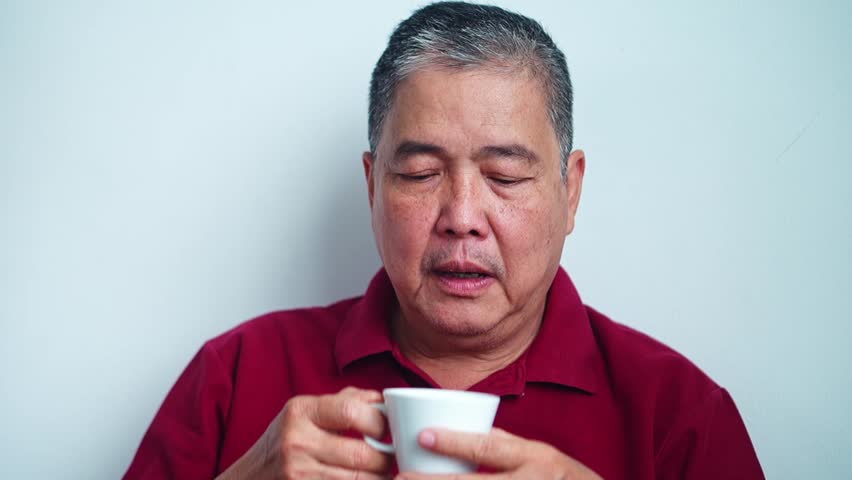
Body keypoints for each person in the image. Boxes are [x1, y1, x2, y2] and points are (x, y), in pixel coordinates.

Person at [123, 2, 765, 479]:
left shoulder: (680, 418)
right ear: (373, 187)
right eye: (421, 173)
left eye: (505, 175)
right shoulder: (236, 377)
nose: (461, 216)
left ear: (570, 193)